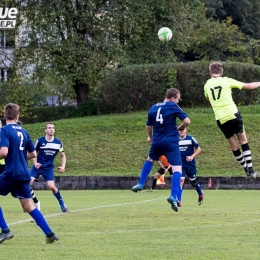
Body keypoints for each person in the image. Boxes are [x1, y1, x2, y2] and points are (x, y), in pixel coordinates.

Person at [0, 103, 58, 244]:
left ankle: (5, 231)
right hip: (24, 173)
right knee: (28, 206)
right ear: (17, 116)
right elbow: (33, 154)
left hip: (11, 173)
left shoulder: (4, 131)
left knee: (28, 205)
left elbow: (3, 152)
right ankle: (50, 234)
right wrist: (18, 155)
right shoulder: (24, 132)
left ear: (5, 116)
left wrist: (11, 155)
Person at [131, 88, 191, 212]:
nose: (178, 102)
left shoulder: (153, 107)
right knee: (177, 169)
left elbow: (148, 126)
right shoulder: (173, 106)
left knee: (150, 159)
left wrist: (150, 137)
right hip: (170, 142)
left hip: (157, 141)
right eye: (178, 99)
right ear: (173, 98)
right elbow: (187, 121)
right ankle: (173, 197)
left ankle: (141, 183)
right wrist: (179, 128)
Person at [204, 61, 260, 178]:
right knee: (243, 141)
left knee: (234, 146)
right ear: (221, 72)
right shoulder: (226, 80)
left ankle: (245, 168)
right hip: (232, 114)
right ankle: (251, 169)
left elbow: (208, 99)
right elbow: (249, 86)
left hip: (220, 118)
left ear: (210, 73)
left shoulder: (207, 85)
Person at [30, 122, 67, 213]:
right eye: (49, 128)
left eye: (53, 128)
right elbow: (34, 154)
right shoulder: (40, 141)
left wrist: (63, 166)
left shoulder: (58, 143)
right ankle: (35, 202)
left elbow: (63, 155)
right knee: (27, 184)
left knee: (51, 186)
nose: (51, 129)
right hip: (38, 167)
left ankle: (61, 202)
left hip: (48, 168)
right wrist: (35, 163)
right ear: (45, 130)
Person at [177, 127, 204, 207]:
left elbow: (199, 149)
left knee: (193, 182)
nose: (181, 131)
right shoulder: (175, 140)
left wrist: (192, 156)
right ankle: (178, 200)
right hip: (180, 165)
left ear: (186, 130)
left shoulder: (191, 139)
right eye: (180, 130)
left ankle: (201, 194)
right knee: (181, 180)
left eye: (183, 129)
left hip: (190, 164)